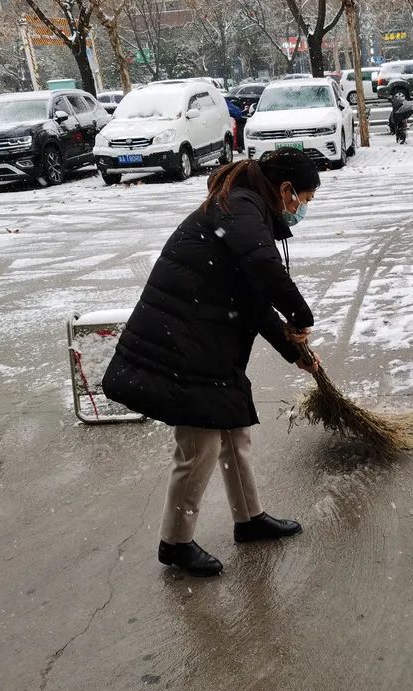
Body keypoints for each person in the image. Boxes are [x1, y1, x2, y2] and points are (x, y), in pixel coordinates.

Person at [102, 148, 321, 577]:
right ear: (285, 189)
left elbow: (255, 301)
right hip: (183, 341)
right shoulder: (240, 208)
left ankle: (250, 519)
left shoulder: (244, 210)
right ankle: (176, 543)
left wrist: (296, 351)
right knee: (199, 446)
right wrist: (301, 316)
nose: (303, 209)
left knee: (234, 432)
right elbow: (264, 268)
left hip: (205, 338)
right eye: (305, 199)